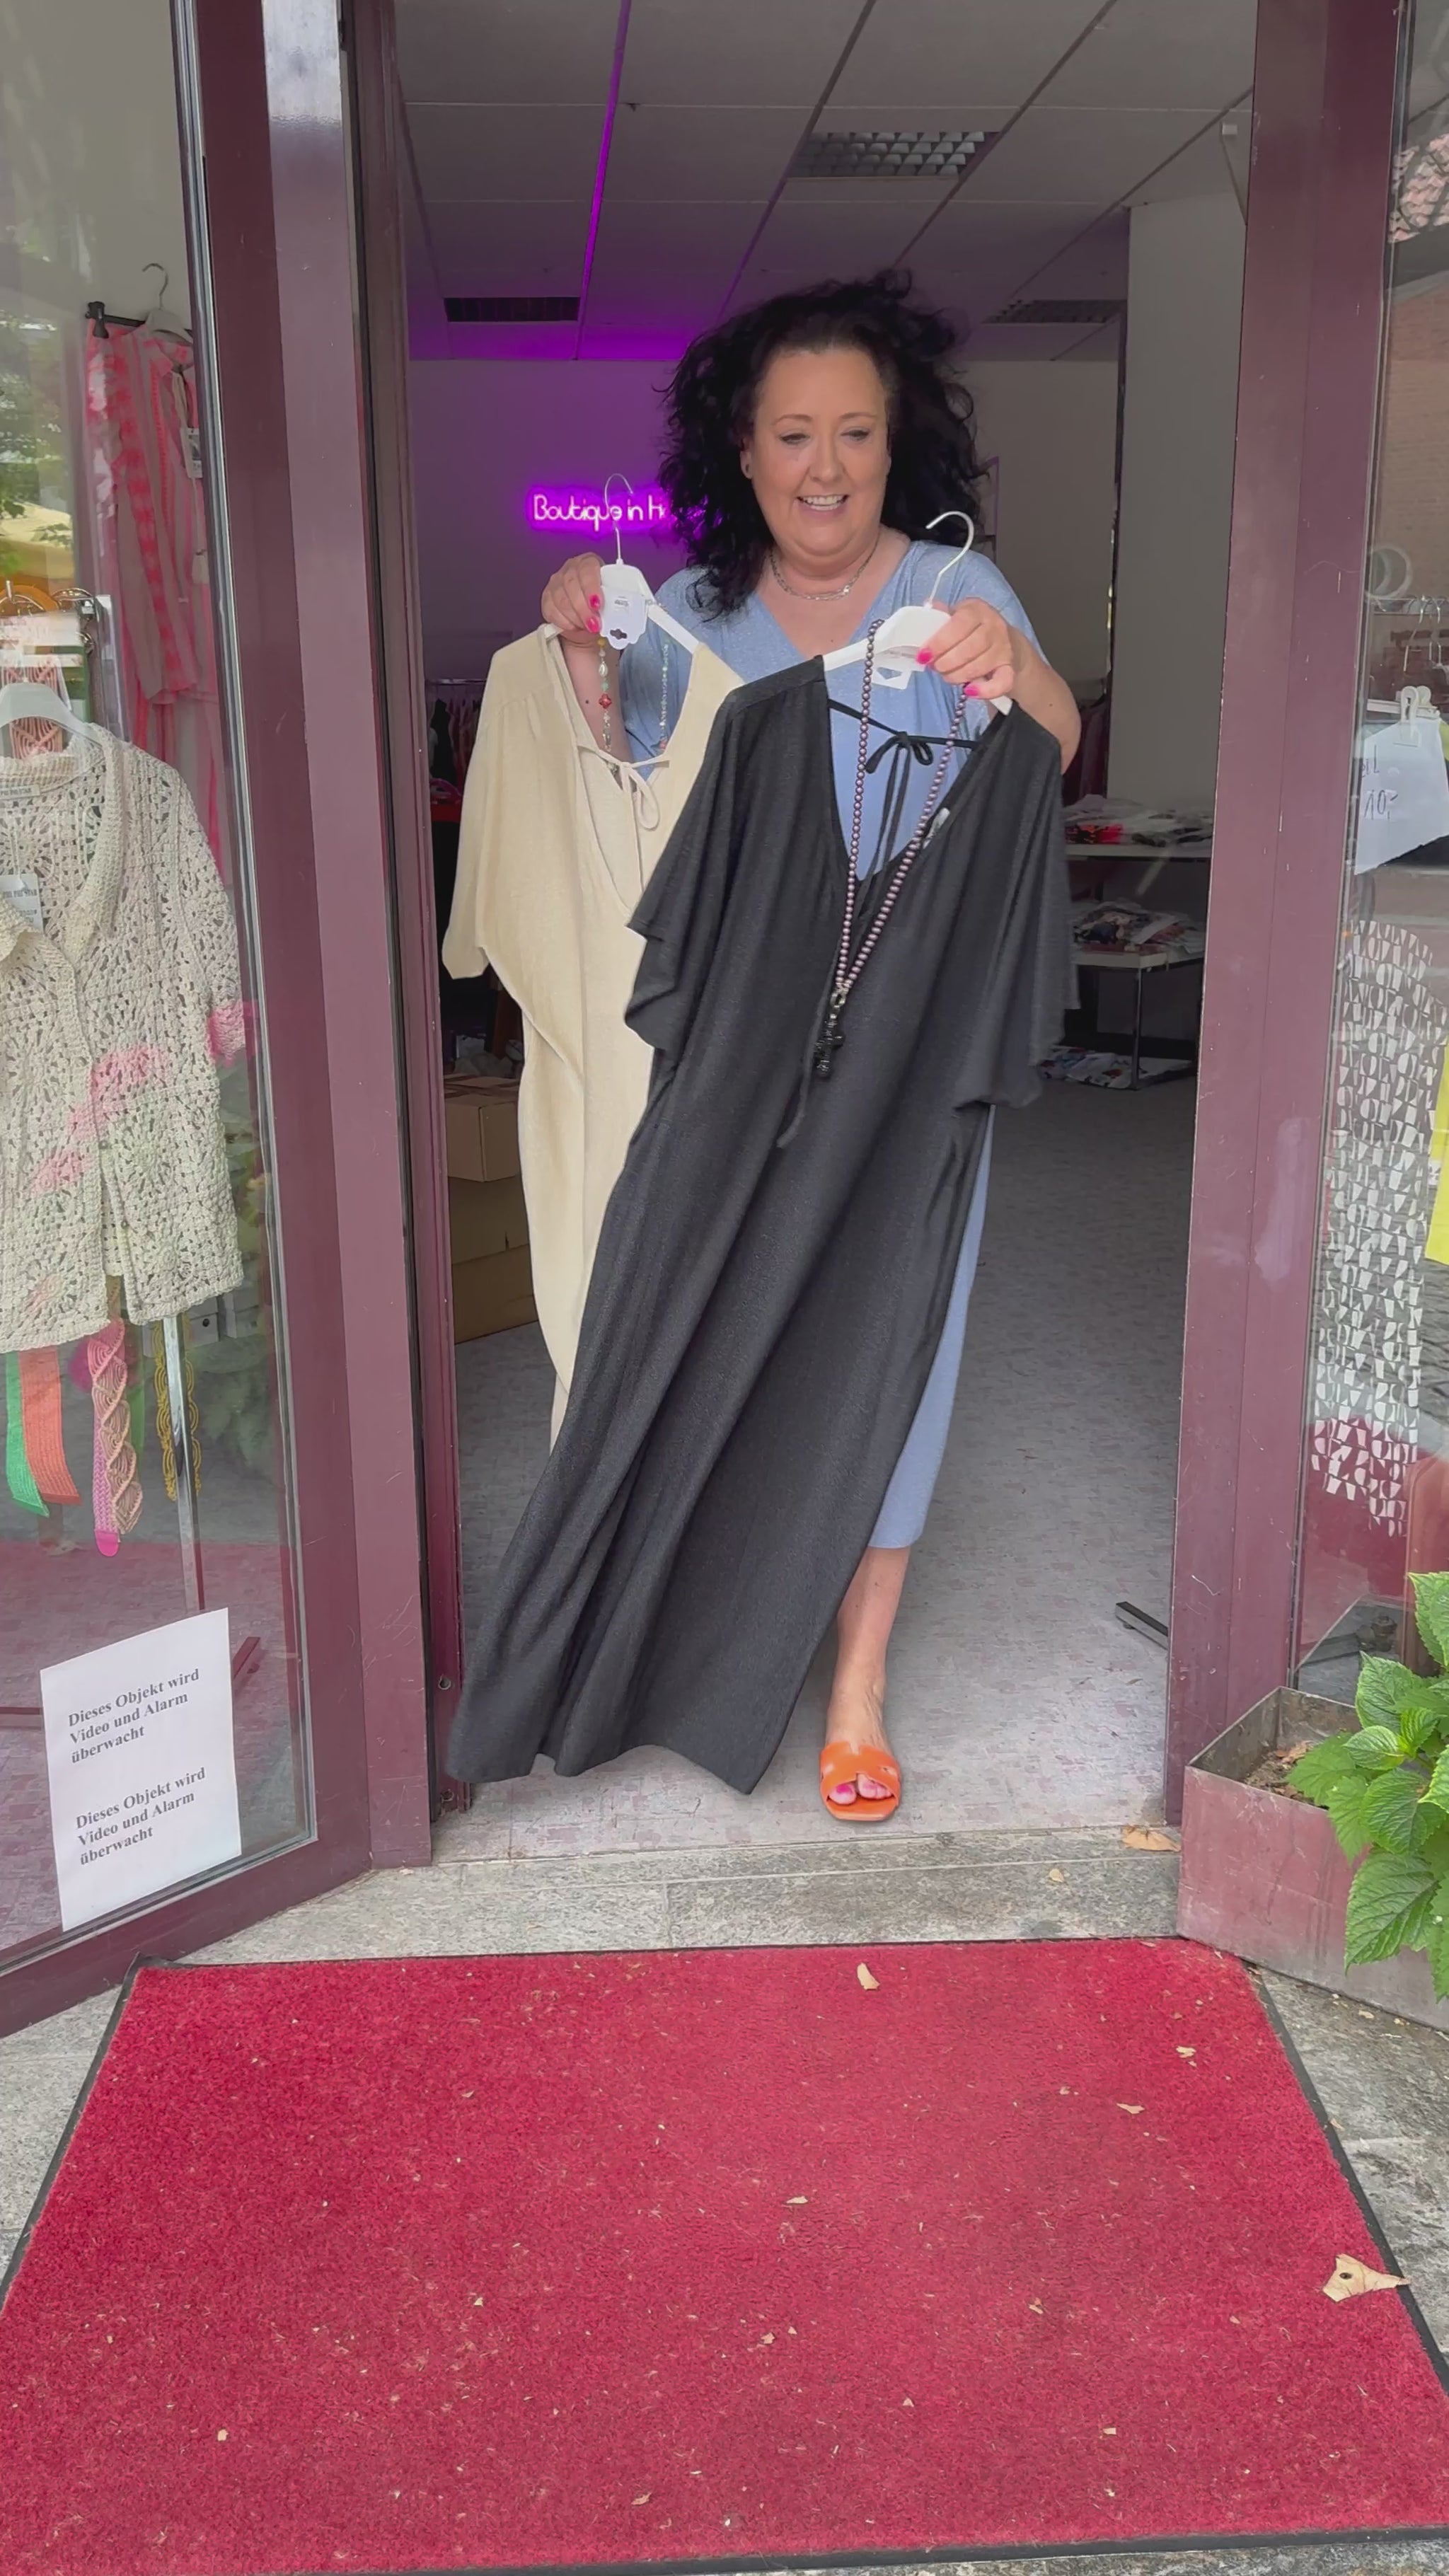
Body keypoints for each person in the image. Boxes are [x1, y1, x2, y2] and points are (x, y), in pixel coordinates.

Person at [539, 270, 1080, 1818]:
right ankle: (683, 1622)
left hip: (916, 1034)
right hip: (736, 1033)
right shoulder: (695, 612)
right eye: (792, 434)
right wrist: (576, 628)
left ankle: (856, 1683)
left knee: (901, 1323)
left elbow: (1047, 748)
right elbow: (624, 761)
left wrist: (1016, 666)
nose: (825, 466)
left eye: (855, 431)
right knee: (709, 1310)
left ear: (895, 441)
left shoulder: (962, 588)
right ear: (743, 446)